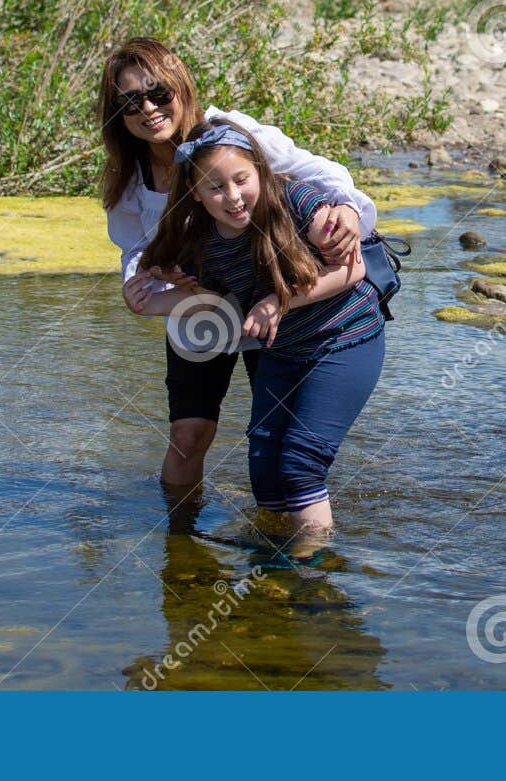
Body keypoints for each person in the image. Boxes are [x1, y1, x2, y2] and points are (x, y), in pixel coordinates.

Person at [100, 38, 376, 488]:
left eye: (159, 93)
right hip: (201, 309)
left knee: (273, 440)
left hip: (268, 303)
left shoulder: (231, 134)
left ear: (181, 87)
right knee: (188, 436)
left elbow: (319, 173)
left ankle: (287, 518)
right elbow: (135, 249)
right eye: (130, 100)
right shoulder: (129, 175)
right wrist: (138, 282)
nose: (148, 108)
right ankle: (181, 543)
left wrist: (345, 208)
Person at [137, 122, 385, 540]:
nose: (232, 197)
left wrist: (276, 300)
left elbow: (353, 268)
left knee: (301, 465)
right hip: (283, 351)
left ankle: (312, 575)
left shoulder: (297, 201)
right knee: (265, 473)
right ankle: (275, 564)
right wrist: (146, 300)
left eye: (241, 180)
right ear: (194, 193)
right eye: (215, 187)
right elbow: (210, 304)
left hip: (344, 338)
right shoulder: (206, 243)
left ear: (261, 172)